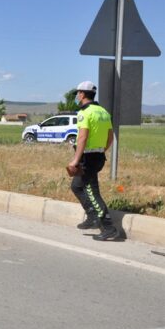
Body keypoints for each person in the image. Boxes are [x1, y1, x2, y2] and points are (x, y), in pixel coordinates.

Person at [68, 81, 117, 241]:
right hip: (98, 156)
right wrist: (102, 150)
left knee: (92, 192)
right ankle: (92, 217)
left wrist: (75, 160)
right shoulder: (103, 112)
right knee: (76, 186)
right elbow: (110, 136)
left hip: (87, 158)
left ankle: (108, 227)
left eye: (77, 93)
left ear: (82, 94)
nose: (77, 96)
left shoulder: (85, 113)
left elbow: (82, 137)